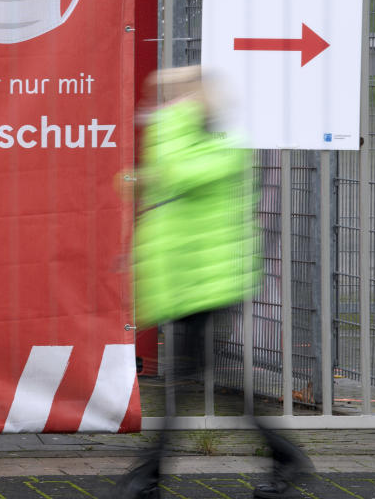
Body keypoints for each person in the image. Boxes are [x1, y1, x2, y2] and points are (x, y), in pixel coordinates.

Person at [115, 66, 311, 499]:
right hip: (193, 281)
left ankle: (150, 475)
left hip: (210, 283)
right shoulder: (201, 143)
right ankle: (283, 457)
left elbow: (177, 171)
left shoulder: (224, 147)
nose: (173, 104)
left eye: (186, 95)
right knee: (202, 379)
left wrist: (170, 114)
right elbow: (157, 182)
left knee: (187, 381)